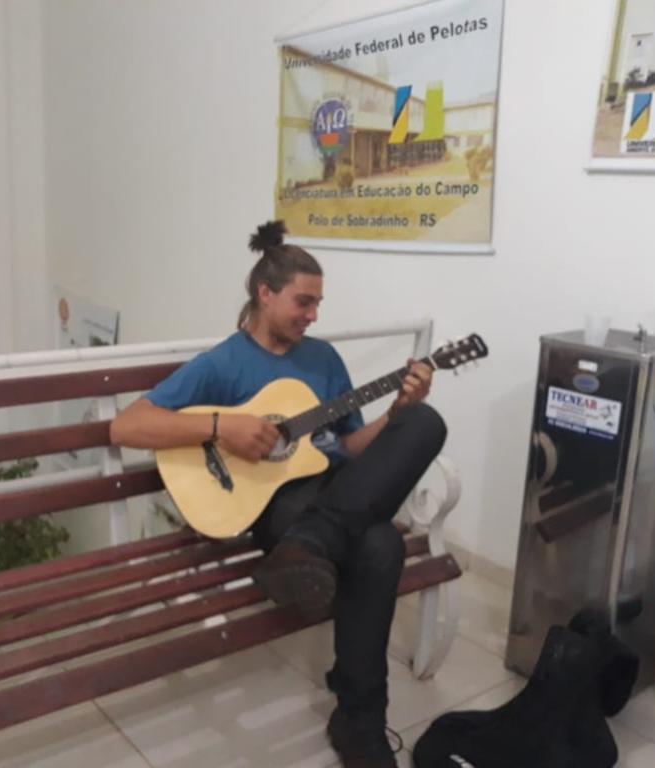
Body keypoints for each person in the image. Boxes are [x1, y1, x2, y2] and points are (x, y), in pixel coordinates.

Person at [110, 220, 447, 768]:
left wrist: (397, 411)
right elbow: (126, 426)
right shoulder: (224, 362)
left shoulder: (324, 359)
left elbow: (351, 447)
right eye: (303, 302)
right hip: (274, 505)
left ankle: (315, 548)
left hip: (331, 495)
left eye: (318, 304)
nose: (313, 316)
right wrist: (221, 426)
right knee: (380, 544)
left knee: (425, 423)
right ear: (264, 293)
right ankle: (359, 718)